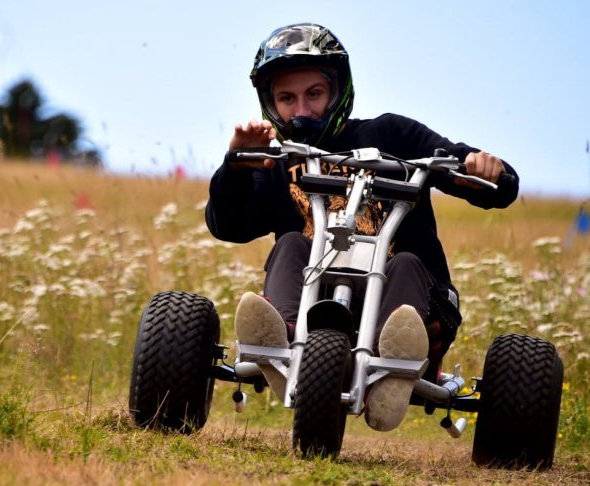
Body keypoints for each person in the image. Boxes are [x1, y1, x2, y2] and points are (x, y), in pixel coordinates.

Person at [205, 23, 518, 431]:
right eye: (287, 98)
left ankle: (392, 370)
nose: (301, 109)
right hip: (309, 308)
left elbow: (491, 183)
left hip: (415, 310)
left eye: (314, 94)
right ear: (270, 103)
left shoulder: (391, 135)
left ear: (337, 92)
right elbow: (227, 225)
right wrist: (236, 167)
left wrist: (484, 170)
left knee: (405, 260)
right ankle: (280, 345)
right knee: (291, 246)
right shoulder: (278, 161)